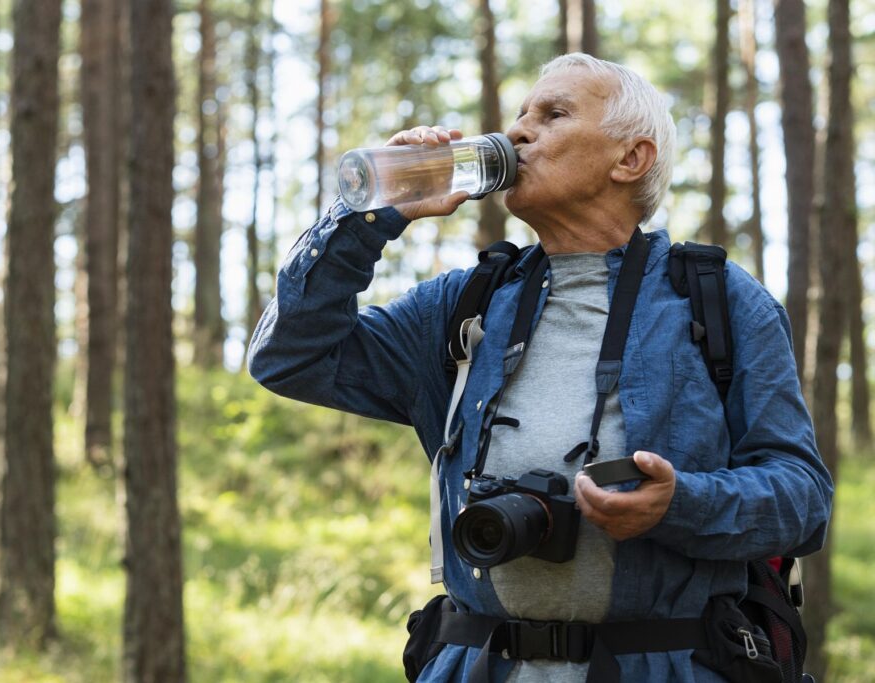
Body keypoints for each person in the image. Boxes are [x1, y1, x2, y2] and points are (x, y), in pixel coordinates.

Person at [247, 53, 833, 683]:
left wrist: (677, 504)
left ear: (630, 159)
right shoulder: (463, 303)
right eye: (521, 115)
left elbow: (802, 499)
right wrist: (368, 216)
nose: (518, 132)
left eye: (553, 115)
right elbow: (290, 356)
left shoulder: (719, 301)